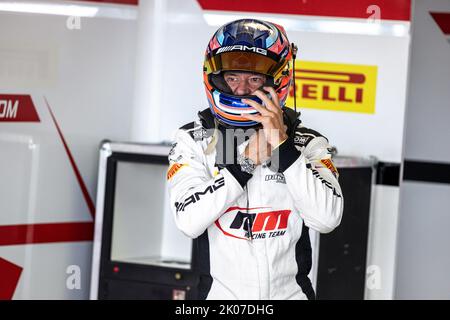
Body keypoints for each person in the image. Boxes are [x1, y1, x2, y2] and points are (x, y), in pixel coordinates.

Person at [167, 19, 343, 300]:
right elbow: (188, 221)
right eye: (232, 77)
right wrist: (244, 164)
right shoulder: (193, 140)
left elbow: (327, 218)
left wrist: (284, 148)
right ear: (214, 77)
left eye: (254, 79)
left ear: (278, 80)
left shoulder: (307, 142)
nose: (240, 89)